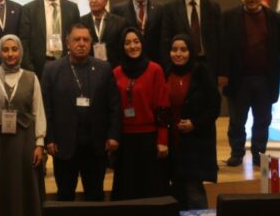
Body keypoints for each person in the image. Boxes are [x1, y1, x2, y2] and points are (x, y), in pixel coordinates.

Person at [42, 24, 121, 201]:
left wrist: (113, 134)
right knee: (65, 196)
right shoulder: (52, 70)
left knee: (95, 195)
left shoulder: (104, 68)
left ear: (91, 43)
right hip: (64, 145)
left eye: (86, 39)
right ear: (67, 43)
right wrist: (50, 138)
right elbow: (46, 108)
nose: (81, 43)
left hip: (96, 145)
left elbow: (114, 105)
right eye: (76, 39)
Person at [0, 34, 46, 216]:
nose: (10, 54)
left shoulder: (32, 78)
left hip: (25, 141)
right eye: (5, 49)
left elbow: (38, 111)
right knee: (0, 186)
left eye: (14, 49)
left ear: (21, 52)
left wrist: (39, 143)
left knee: (25, 186)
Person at [219, 0, 280, 167]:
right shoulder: (228, 17)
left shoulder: (274, 18)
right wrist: (223, 74)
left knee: (263, 120)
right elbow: (222, 48)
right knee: (237, 121)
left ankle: (259, 155)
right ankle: (237, 153)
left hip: (265, 79)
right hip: (239, 79)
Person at [111, 27, 169, 201]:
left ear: (142, 44)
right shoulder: (116, 73)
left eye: (136, 41)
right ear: (122, 46)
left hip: (149, 140)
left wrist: (162, 140)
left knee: (150, 191)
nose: (132, 46)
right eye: (127, 43)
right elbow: (113, 109)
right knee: (127, 191)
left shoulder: (155, 70)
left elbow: (163, 107)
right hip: (125, 141)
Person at [165, 34, 220, 210]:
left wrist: (194, 123)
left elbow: (214, 107)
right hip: (173, 143)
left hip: (196, 143)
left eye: (183, 49)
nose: (178, 54)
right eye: (174, 50)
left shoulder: (201, 72)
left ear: (191, 52)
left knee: (194, 190)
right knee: (177, 191)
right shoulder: (166, 73)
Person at [19, 0, 81, 79]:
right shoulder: (29, 9)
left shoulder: (72, 8)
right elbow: (24, 41)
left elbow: (77, 37)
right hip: (39, 67)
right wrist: (29, 68)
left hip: (67, 64)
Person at [160, 0, 222, 78]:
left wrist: (222, 72)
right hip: (180, 66)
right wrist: (168, 68)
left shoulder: (213, 7)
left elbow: (220, 39)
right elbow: (165, 40)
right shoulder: (170, 8)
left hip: (209, 65)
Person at [111, 0, 164, 66]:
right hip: (128, 62)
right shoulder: (117, 9)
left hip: (154, 61)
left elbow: (163, 38)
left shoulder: (160, 8)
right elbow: (116, 40)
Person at [80, 0, 127, 66]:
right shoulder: (81, 22)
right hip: (88, 67)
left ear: (106, 0)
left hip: (113, 68)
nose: (93, 0)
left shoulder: (120, 22)